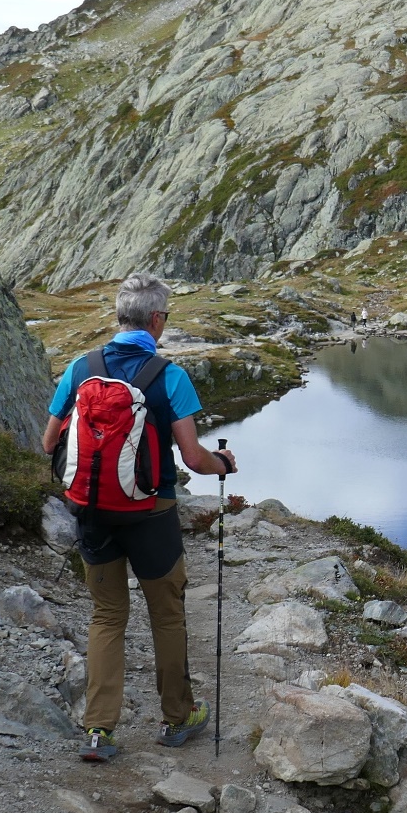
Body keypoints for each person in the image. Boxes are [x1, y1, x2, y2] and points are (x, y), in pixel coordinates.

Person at [43, 273, 238, 761]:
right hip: (151, 512)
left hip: (91, 511)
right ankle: (177, 719)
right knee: (166, 614)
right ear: (155, 320)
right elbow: (194, 458)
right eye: (166, 318)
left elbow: (49, 444)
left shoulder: (80, 368)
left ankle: (98, 732)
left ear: (118, 316)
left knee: (107, 615)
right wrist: (224, 465)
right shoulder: (167, 375)